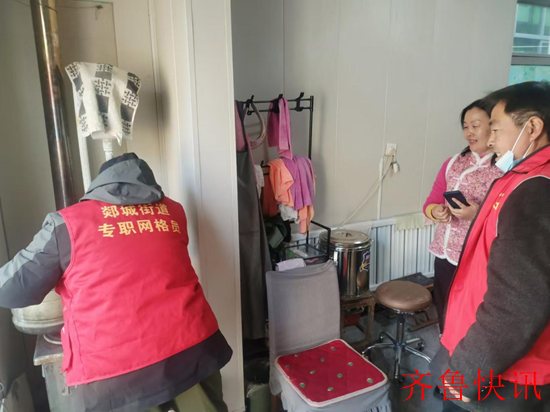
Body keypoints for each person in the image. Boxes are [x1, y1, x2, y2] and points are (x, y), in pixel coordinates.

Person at [0, 153, 233, 412]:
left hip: (116, 373)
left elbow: (10, 290)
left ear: (100, 184)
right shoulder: (174, 211)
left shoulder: (66, 224)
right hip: (195, 348)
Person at [431, 81, 550, 411]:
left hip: (506, 372)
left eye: (495, 128)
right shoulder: (518, 176)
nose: (490, 139)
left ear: (533, 128)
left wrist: (466, 374)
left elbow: (518, 302)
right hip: (479, 344)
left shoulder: (536, 189)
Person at [424, 100, 502, 334]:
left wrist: (476, 215)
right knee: (444, 307)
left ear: (494, 127)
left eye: (475, 125)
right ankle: (445, 344)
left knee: (471, 316)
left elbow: (508, 220)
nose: (469, 132)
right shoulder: (453, 163)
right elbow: (431, 202)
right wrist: (436, 211)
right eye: (465, 126)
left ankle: (464, 354)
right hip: (445, 253)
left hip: (478, 258)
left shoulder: (506, 168)